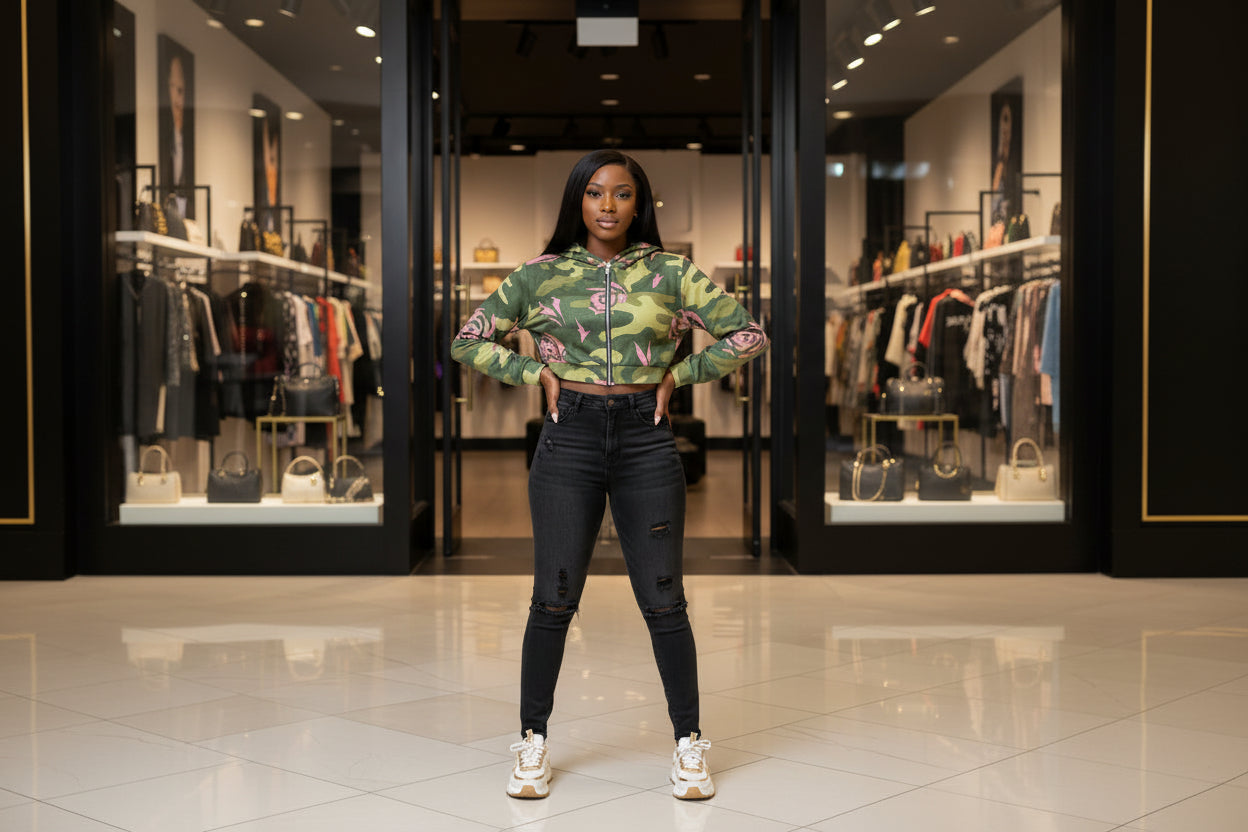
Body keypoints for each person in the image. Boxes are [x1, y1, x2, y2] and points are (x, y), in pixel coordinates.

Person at [451, 149, 768, 801]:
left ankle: (688, 743)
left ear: (639, 203)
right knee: (553, 598)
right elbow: (466, 340)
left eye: (622, 194)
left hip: (645, 441)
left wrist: (680, 374)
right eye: (594, 193)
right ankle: (533, 740)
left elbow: (746, 335)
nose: (607, 205)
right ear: (577, 200)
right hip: (567, 438)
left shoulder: (671, 271)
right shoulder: (540, 276)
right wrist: (532, 373)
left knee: (663, 598)